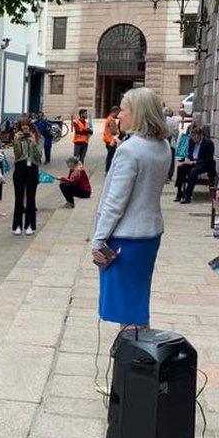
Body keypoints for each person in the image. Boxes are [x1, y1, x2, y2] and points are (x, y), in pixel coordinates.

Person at [91, 88, 170, 327]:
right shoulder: (163, 145)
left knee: (125, 310)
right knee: (137, 302)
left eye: (123, 109)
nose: (118, 116)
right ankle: (137, 355)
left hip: (125, 237)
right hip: (149, 233)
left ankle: (133, 360)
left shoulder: (130, 149)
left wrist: (98, 239)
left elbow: (115, 202)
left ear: (138, 113)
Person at [10, 120, 43, 236]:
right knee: (18, 198)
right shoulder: (18, 138)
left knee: (31, 198)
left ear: (31, 128)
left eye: (27, 129)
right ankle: (17, 225)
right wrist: (16, 141)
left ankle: (29, 225)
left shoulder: (38, 138)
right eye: (23, 129)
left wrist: (34, 143)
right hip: (20, 168)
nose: (25, 132)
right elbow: (17, 155)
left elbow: (39, 156)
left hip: (32, 168)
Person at [173, 127, 215, 204]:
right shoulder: (191, 141)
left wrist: (195, 162)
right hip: (192, 162)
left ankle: (188, 196)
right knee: (181, 168)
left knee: (194, 171)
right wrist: (186, 160)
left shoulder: (208, 143)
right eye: (192, 136)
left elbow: (209, 159)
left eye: (195, 136)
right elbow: (189, 154)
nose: (193, 138)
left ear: (200, 135)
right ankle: (179, 193)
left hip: (203, 164)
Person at [101, 106, 121, 172]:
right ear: (115, 112)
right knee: (111, 157)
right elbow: (114, 132)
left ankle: (108, 169)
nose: (118, 114)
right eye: (118, 112)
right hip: (110, 141)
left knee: (110, 156)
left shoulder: (108, 118)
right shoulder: (111, 120)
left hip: (107, 140)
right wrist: (120, 131)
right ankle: (108, 170)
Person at [164, 108, 180, 181]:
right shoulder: (175, 121)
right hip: (172, 143)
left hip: (164, 142)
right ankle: (169, 175)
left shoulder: (163, 120)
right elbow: (176, 132)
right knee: (171, 159)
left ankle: (165, 175)